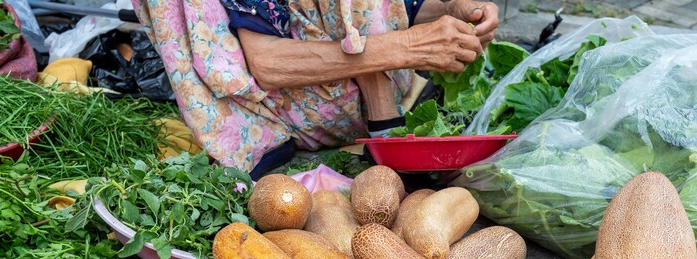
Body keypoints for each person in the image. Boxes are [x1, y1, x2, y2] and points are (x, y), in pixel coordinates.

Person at [132, 0, 499, 175]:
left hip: (362, 85)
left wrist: (454, 10)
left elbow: (406, 8)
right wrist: (405, 47)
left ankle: (380, 108)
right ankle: (382, 117)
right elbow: (266, 64)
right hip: (285, 106)